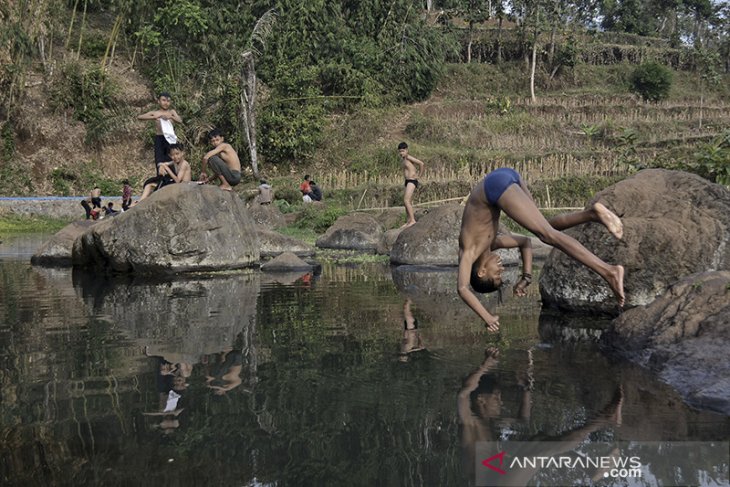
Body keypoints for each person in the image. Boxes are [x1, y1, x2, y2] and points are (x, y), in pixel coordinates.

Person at [458, 167, 625, 332]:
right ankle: (592, 215)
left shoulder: (469, 250)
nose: (501, 269)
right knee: (546, 227)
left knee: (547, 235)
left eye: (496, 274)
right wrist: (527, 277)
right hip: (506, 176)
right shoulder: (490, 244)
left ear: (481, 272)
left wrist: (487, 317)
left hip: (495, 186)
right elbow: (524, 242)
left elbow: (462, 289)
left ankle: (609, 272)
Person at [136, 91, 182, 170]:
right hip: (159, 138)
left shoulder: (171, 112)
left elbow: (180, 121)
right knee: (159, 159)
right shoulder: (155, 113)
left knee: (172, 159)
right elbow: (140, 117)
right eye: (163, 100)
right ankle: (161, 178)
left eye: (168, 101)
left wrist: (171, 116)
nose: (166, 103)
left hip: (170, 139)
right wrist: (154, 117)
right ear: (159, 101)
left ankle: (173, 178)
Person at [397, 141, 425, 228]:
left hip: (412, 181)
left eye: (403, 151)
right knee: (406, 201)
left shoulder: (409, 157)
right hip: (407, 181)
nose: (401, 153)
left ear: (407, 150)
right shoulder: (404, 159)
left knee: (406, 200)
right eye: (400, 151)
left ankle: (412, 220)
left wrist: (419, 175)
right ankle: (408, 220)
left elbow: (421, 163)